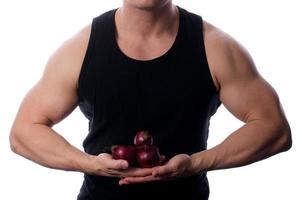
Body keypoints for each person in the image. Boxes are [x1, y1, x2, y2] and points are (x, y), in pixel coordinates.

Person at [9, 0, 292, 199]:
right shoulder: (79, 49)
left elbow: (274, 129)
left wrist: (195, 163)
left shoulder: (215, 47)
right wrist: (90, 163)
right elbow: (23, 132)